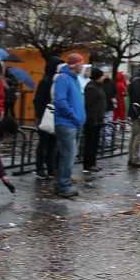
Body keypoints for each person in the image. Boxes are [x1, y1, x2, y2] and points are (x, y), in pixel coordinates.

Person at [52, 52, 86, 197]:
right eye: (81, 63)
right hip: (67, 123)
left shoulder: (74, 79)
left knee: (69, 155)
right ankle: (63, 185)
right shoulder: (64, 78)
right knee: (69, 155)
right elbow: (60, 101)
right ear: (76, 64)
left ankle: (61, 183)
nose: (83, 66)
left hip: (74, 123)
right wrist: (74, 116)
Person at [33, 56, 62, 180]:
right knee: (44, 144)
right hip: (46, 117)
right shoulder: (46, 81)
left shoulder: (56, 81)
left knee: (52, 144)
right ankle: (40, 168)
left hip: (53, 116)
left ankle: (51, 168)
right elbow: (38, 100)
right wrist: (42, 115)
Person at [82, 67, 108, 173]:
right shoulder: (92, 87)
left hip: (98, 120)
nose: (103, 77)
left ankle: (92, 163)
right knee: (90, 143)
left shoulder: (98, 86)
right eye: (102, 75)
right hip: (92, 121)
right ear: (98, 77)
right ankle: (88, 164)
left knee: (95, 143)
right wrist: (93, 120)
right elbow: (90, 105)